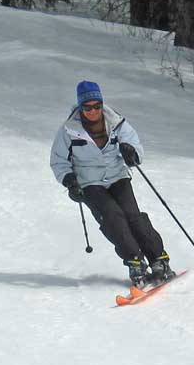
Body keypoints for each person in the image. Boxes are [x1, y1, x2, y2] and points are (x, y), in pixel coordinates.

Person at [50, 80, 175, 286]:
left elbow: (135, 144)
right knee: (112, 217)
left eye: (97, 106)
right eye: (87, 107)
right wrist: (69, 181)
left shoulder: (116, 122)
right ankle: (135, 262)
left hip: (117, 175)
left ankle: (159, 259)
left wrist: (131, 153)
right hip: (89, 182)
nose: (93, 111)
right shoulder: (68, 130)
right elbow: (58, 161)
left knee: (133, 216)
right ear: (80, 108)